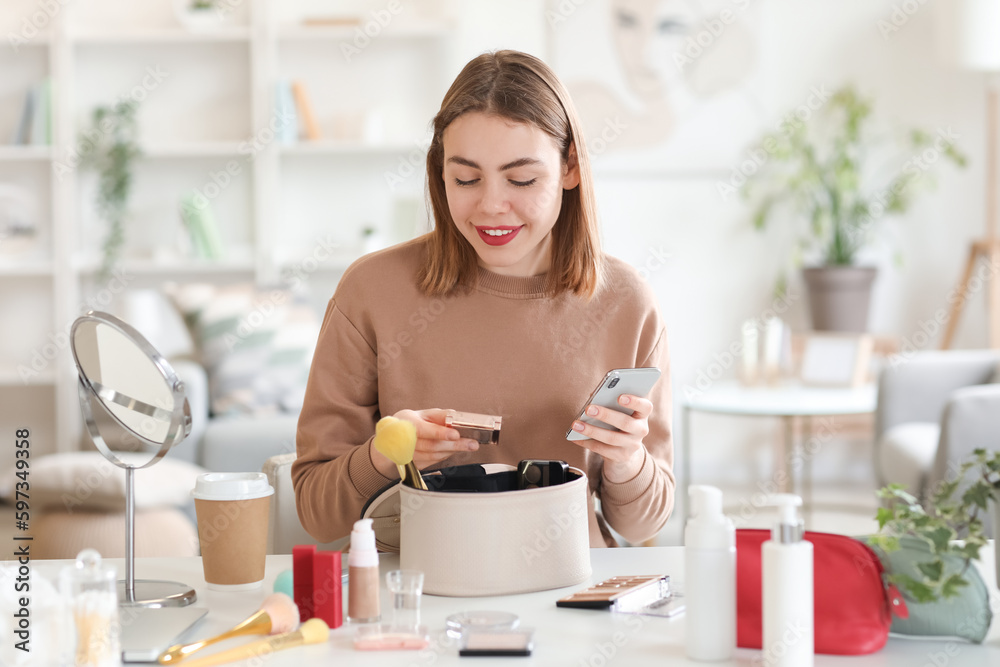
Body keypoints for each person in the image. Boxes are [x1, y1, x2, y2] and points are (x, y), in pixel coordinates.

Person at [293, 50, 674, 548]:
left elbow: (644, 525)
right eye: (466, 179)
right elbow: (316, 514)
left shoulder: (627, 302)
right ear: (440, 173)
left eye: (522, 179)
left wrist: (627, 461)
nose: (492, 206)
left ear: (570, 168)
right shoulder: (370, 292)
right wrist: (386, 455)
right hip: (422, 598)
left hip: (571, 593)